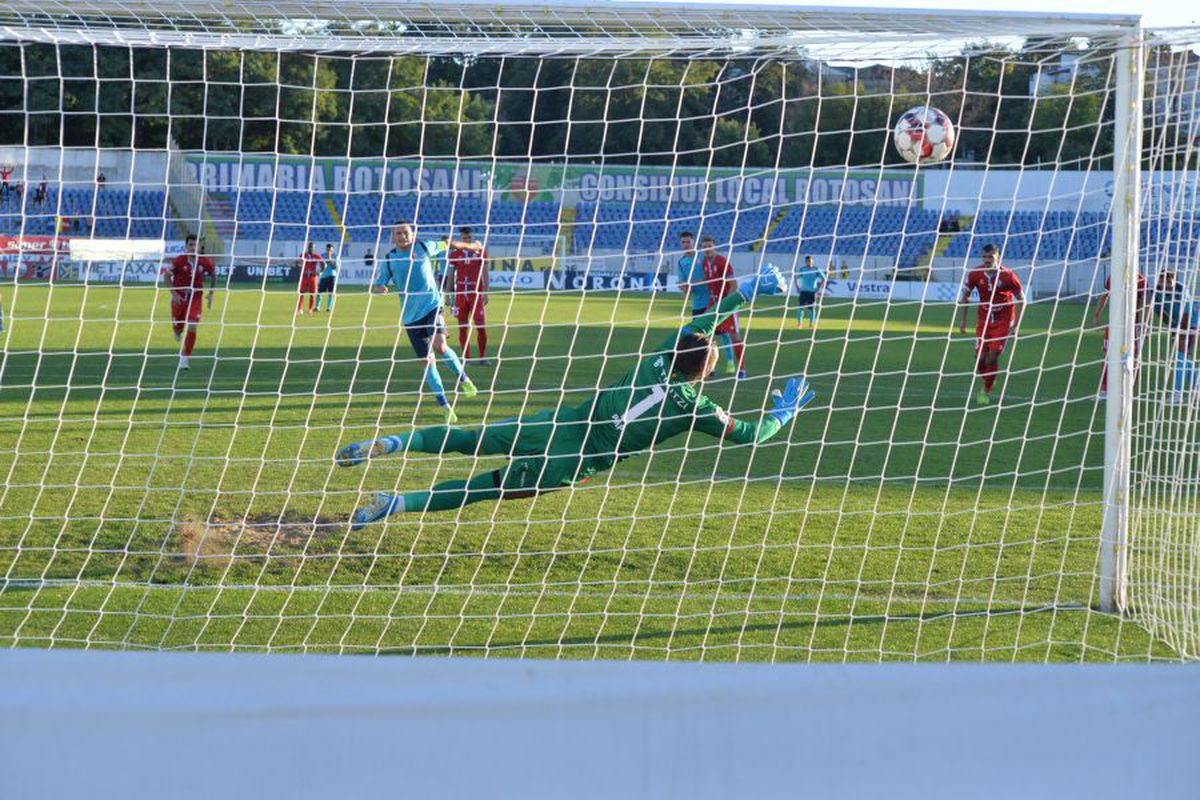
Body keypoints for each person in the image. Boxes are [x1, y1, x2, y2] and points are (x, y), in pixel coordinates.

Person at [337, 264, 810, 529]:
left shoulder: (659, 359)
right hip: (572, 462)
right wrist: (782, 414)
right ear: (706, 370)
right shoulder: (698, 408)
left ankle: (395, 443)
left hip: (560, 422)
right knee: (481, 488)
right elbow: (749, 435)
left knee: (469, 436)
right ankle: (394, 503)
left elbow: (698, 327)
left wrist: (743, 292)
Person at [374, 221, 481, 422]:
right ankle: (445, 406)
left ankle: (464, 379)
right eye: (398, 233)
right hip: (410, 317)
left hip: (432, 306)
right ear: (393, 236)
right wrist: (380, 288)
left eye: (406, 232)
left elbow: (448, 243)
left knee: (440, 347)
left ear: (412, 235)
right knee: (427, 362)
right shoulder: (389, 259)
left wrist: (473, 247)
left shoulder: (424, 247)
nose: (402, 236)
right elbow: (379, 283)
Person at [958, 243, 1024, 405]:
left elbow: (1022, 300)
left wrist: (1016, 325)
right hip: (984, 320)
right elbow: (964, 298)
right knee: (980, 359)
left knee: (992, 357)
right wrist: (963, 321)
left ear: (998, 257)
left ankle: (985, 390)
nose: (987, 260)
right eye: (985, 257)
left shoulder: (1008, 276)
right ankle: (989, 380)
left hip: (1004, 320)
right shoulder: (975, 274)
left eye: (991, 257)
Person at [160, 234, 216, 371]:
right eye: (190, 245)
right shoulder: (179, 261)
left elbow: (213, 275)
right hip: (179, 298)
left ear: (199, 247)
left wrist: (211, 293)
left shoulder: (205, 261)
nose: (193, 247)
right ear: (186, 246)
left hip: (196, 297)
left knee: (192, 324)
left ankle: (185, 360)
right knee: (178, 328)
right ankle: (177, 330)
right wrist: (173, 294)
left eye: (195, 245)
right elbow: (166, 276)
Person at [1092, 270, 1149, 400]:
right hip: (1113, 324)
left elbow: (1146, 303)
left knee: (1131, 356)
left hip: (1131, 325)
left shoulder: (1141, 280)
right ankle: (1105, 389)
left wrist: (1144, 324)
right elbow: (1105, 296)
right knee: (1108, 354)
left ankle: (1130, 388)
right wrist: (1097, 314)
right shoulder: (1113, 277)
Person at [700, 235, 745, 378]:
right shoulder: (704, 263)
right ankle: (708, 368)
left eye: (709, 246)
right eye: (705, 246)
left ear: (714, 247)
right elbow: (708, 280)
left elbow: (734, 284)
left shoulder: (722, 262)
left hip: (726, 302)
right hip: (713, 303)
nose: (707, 249)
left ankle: (742, 370)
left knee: (734, 336)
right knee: (705, 335)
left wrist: (727, 303)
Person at [1153, 269, 1199, 406]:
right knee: (1184, 359)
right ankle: (1196, 385)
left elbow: (1188, 313)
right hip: (1176, 327)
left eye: (1168, 279)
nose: (1164, 282)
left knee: (1180, 358)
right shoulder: (1157, 292)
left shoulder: (1181, 290)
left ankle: (1178, 395)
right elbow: (1160, 312)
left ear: (1174, 279)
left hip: (1190, 325)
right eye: (1162, 279)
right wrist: (1172, 327)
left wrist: (1182, 334)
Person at [446, 226, 491, 364]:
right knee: (462, 326)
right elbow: (450, 275)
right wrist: (448, 293)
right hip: (460, 294)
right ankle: (466, 358)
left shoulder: (480, 252)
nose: (468, 239)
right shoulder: (454, 254)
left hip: (475, 293)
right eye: (465, 238)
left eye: (469, 237)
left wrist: (486, 291)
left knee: (480, 326)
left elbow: (484, 272)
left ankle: (482, 357)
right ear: (461, 239)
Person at [676, 231, 707, 321]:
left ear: (693, 242)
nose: (686, 245)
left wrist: (691, 284)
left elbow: (710, 276)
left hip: (711, 301)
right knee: (699, 333)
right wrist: (684, 287)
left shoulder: (703, 256)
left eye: (688, 242)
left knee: (719, 331)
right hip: (697, 304)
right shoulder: (681, 262)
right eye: (683, 242)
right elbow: (687, 289)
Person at [794, 255, 825, 329]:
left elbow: (824, 278)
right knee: (800, 308)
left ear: (812, 261)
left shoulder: (816, 269)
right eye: (807, 261)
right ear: (805, 262)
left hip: (812, 292)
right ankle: (799, 324)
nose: (809, 263)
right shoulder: (802, 269)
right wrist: (797, 287)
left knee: (812, 309)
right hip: (803, 291)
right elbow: (795, 277)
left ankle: (811, 324)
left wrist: (818, 288)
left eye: (810, 261)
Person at [296, 241, 322, 315]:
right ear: (308, 248)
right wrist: (300, 266)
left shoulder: (317, 256)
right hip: (304, 276)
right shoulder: (303, 255)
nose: (311, 249)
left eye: (312, 248)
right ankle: (300, 309)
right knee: (301, 293)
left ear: (314, 248)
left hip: (313, 277)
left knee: (312, 294)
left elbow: (323, 264)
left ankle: (310, 309)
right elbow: (298, 262)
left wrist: (320, 272)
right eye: (310, 247)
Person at [315, 243, 338, 312]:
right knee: (319, 292)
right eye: (328, 249)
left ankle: (329, 308)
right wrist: (320, 271)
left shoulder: (335, 256)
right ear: (326, 249)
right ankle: (317, 307)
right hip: (323, 276)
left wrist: (330, 258)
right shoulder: (322, 256)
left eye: (330, 250)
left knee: (331, 293)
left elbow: (335, 267)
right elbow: (320, 266)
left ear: (332, 250)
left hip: (332, 276)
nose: (329, 251)